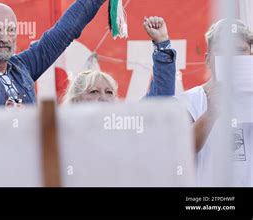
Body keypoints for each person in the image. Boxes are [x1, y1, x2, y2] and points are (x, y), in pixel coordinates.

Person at [178, 19, 252, 186]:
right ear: (207, 59)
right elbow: (178, 152)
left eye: (240, 51)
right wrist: (210, 114)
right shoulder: (189, 100)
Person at [63, 16, 176, 104]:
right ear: (76, 100)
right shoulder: (64, 132)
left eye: (109, 92)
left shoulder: (126, 124)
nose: (104, 98)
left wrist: (162, 42)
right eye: (94, 92)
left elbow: (160, 100)